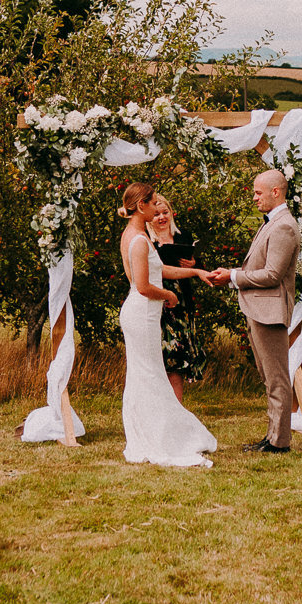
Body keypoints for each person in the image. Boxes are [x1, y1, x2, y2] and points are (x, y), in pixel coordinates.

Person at [117, 183, 217, 467]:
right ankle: (154, 436)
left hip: (144, 313)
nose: (156, 208)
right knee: (148, 374)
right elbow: (144, 285)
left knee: (150, 373)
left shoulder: (136, 236)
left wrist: (195, 271)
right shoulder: (137, 240)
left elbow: (162, 270)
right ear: (141, 206)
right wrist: (168, 295)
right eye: (151, 203)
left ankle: (156, 430)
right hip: (142, 312)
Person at [203, 169, 300, 453]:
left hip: (269, 311)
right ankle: (272, 437)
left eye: (258, 192)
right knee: (269, 377)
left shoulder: (283, 225)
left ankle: (279, 442)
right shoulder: (272, 222)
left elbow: (272, 274)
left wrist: (233, 276)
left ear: (276, 192)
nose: (254, 197)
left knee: (277, 377)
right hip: (259, 309)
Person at [147, 197, 206, 402]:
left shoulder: (183, 235)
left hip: (181, 302)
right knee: (164, 356)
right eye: (156, 214)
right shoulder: (146, 239)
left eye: (165, 212)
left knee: (178, 359)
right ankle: (160, 405)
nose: (162, 217)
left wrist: (193, 264)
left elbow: (199, 263)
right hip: (159, 301)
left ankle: (177, 407)